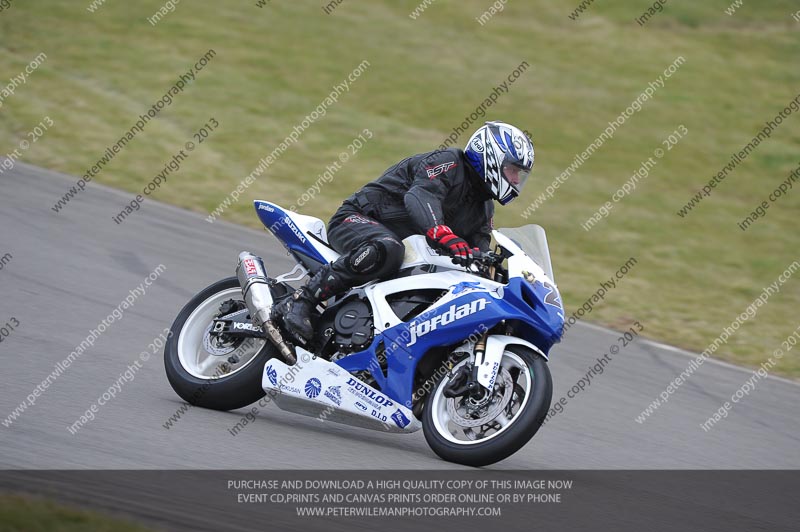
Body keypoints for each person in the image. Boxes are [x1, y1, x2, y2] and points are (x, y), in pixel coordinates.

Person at [277, 121, 534, 345]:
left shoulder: (484, 206)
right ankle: (303, 300)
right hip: (357, 220)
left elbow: (480, 247)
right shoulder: (447, 163)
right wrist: (444, 234)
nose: (514, 180)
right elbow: (420, 197)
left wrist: (499, 272)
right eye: (512, 170)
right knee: (389, 248)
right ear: (490, 155)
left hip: (402, 251)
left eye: (518, 175)